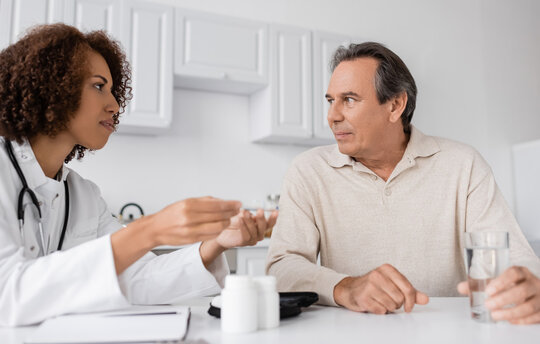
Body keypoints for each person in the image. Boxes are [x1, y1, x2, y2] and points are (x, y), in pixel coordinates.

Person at [0, 23, 277, 327]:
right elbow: (8, 295)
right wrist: (149, 230)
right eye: (98, 86)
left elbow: (137, 277)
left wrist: (217, 243)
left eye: (111, 89)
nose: (115, 105)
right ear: (54, 87)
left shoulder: (82, 194)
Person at [266, 42, 540, 324]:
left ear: (395, 105)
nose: (332, 116)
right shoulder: (308, 170)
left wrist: (526, 285)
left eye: (349, 99)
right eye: (330, 100)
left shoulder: (463, 164)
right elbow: (281, 268)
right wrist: (345, 287)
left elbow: (518, 258)